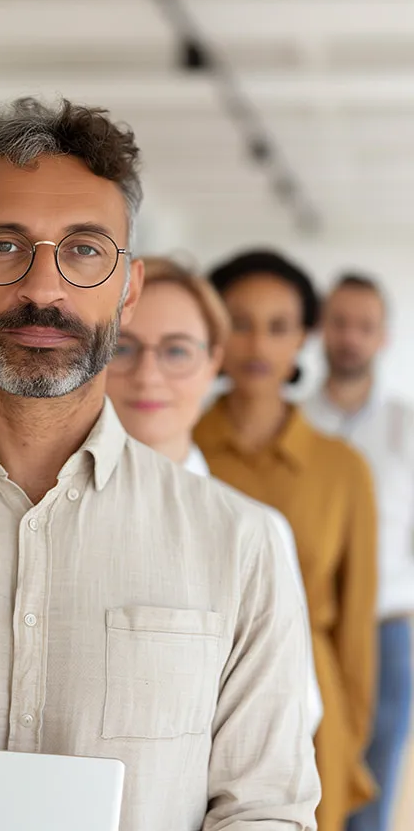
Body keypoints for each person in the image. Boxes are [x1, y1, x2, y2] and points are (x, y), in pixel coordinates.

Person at [0, 99, 320, 831]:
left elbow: (266, 809)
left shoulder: (239, 543)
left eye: (84, 250)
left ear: (129, 290)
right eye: (3, 245)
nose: (42, 288)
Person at [193, 249, 378, 831]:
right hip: (191, 694)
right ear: (213, 330)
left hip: (311, 700)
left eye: (278, 327)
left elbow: (355, 625)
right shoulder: (175, 453)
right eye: (239, 323)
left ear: (304, 338)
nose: (257, 345)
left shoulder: (342, 469)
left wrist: (348, 736)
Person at [106, 255, 323, 734]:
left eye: (177, 351)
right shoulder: (46, 507)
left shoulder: (254, 532)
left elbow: (288, 718)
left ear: (214, 362)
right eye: (122, 348)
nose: (148, 375)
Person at [304, 273, 414, 831]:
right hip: (309, 631)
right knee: (307, 776)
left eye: (364, 326)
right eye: (340, 323)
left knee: (375, 780)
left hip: (385, 631)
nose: (350, 337)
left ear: (383, 336)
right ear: (322, 329)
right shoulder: (293, 421)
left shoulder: (406, 427)